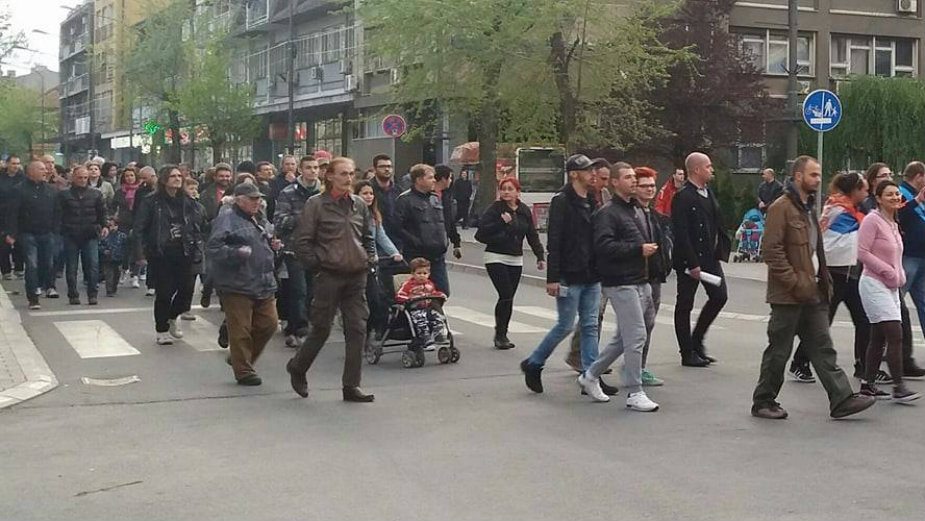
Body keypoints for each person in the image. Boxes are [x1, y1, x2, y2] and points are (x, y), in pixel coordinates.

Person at [751, 155, 876, 420]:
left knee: (823, 347)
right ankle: (764, 400)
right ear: (798, 176)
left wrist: (822, 281)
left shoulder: (808, 208)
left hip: (814, 291)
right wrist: (795, 282)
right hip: (789, 295)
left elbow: (815, 249)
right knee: (779, 350)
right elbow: (771, 251)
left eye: (819, 175)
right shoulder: (781, 207)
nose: (818, 180)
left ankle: (841, 399)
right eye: (813, 175)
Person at [520, 154, 614, 396]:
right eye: (587, 170)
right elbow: (555, 241)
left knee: (590, 325)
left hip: (591, 273)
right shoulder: (562, 201)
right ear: (574, 174)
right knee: (564, 325)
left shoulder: (593, 200)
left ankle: (591, 376)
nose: (593, 174)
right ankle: (534, 363)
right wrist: (553, 278)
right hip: (569, 274)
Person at [285, 157, 377, 403]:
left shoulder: (358, 204)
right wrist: (317, 266)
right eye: (343, 174)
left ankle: (351, 385)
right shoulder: (316, 204)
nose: (349, 179)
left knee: (357, 328)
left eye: (351, 174)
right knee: (322, 328)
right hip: (328, 275)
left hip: (356, 275)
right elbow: (302, 241)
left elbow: (368, 236)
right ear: (330, 176)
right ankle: (298, 367)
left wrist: (370, 258)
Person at [576, 161, 660, 411]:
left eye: (634, 176)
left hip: (640, 279)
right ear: (614, 182)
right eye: (627, 177)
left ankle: (590, 376)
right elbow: (603, 247)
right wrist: (637, 249)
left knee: (624, 338)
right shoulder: (608, 213)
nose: (633, 181)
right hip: (620, 281)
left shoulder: (634, 209)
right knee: (636, 336)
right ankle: (635, 392)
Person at [788, 173, 871, 383]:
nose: (867, 193)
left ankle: (864, 366)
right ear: (854, 190)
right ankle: (799, 361)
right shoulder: (837, 210)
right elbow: (832, 242)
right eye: (864, 189)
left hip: (852, 274)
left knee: (863, 320)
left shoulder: (855, 211)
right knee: (822, 323)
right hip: (836, 274)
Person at [207, 183, 281, 386]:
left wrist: (273, 245)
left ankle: (241, 358)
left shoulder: (260, 218)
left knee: (269, 324)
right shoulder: (226, 219)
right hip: (237, 283)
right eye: (252, 199)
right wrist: (235, 253)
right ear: (239, 200)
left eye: (258, 198)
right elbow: (213, 248)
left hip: (263, 281)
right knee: (240, 329)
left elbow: (266, 237)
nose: (257, 202)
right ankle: (243, 370)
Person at [857, 180, 922, 402]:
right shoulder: (872, 221)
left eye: (896, 194)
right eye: (889, 195)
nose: (895, 198)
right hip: (874, 283)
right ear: (878, 198)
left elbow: (895, 255)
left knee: (878, 336)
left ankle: (867, 385)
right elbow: (863, 253)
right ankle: (899, 386)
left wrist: (900, 274)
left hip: (891, 285)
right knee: (895, 332)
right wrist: (888, 272)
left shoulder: (893, 222)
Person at [671, 152, 730, 367]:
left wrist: (722, 247)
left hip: (710, 258)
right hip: (690, 261)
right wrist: (692, 262)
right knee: (685, 303)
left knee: (720, 296)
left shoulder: (708, 192)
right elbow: (681, 232)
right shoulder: (683, 196)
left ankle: (697, 340)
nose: (711, 169)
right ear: (696, 170)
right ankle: (687, 352)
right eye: (708, 166)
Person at [135, 165, 205, 345]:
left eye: (179, 176)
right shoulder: (152, 201)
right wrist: (140, 252)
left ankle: (173, 316)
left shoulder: (187, 201)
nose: (177, 179)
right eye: (173, 176)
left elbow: (198, 224)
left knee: (186, 290)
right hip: (161, 252)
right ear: (164, 179)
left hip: (185, 251)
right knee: (164, 292)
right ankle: (162, 330)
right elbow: (140, 228)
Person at [476, 177, 545, 350]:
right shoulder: (495, 209)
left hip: (515, 258)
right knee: (505, 294)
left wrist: (540, 255)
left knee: (508, 298)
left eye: (510, 189)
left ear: (517, 192)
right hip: (495, 256)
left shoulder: (523, 211)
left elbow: (531, 234)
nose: (506, 192)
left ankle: (503, 332)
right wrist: (502, 223)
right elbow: (480, 234)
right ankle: (500, 335)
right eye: (503, 189)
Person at [274, 155, 322, 347]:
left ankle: (295, 327)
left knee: (312, 292)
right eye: (309, 167)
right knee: (298, 291)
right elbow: (280, 220)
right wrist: (305, 217)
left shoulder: (324, 192)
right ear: (301, 170)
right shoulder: (288, 192)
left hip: (319, 249)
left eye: (316, 167)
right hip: (294, 249)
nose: (313, 171)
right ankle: (301, 329)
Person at [634, 166, 672, 387]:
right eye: (644, 186)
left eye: (652, 186)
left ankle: (640, 367)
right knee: (636, 326)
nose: (649, 190)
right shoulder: (631, 213)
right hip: (636, 277)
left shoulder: (655, 215)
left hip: (654, 276)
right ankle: (631, 369)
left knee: (648, 324)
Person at [395, 164, 457, 295]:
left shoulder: (435, 198)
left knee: (442, 291)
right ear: (419, 180)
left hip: (437, 255)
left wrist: (445, 240)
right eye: (430, 177)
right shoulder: (405, 200)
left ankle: (433, 314)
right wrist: (414, 241)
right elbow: (397, 227)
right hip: (417, 255)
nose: (434, 180)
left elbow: (442, 222)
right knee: (417, 292)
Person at [354, 179, 403, 334]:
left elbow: (381, 237)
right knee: (366, 300)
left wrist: (394, 253)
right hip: (357, 262)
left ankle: (378, 329)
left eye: (371, 193)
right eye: (364, 193)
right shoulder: (353, 215)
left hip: (373, 263)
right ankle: (362, 332)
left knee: (379, 298)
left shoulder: (374, 215)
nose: (369, 197)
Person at [8, 161, 58, 309]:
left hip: (47, 233)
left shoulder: (51, 190)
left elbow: (57, 212)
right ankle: (33, 297)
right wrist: (11, 233)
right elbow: (12, 213)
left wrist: (56, 230)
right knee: (32, 264)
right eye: (42, 169)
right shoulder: (19, 190)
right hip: (27, 233)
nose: (46, 171)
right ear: (31, 171)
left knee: (47, 264)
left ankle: (42, 285)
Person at [58, 165, 108, 306]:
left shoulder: (96, 194)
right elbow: (58, 214)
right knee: (71, 267)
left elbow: (102, 212)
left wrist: (104, 226)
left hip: (90, 233)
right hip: (70, 234)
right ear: (73, 177)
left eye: (85, 178)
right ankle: (73, 295)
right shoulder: (64, 195)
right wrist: (61, 230)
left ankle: (92, 294)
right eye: (80, 177)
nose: (83, 180)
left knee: (93, 265)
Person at [894, 161, 925, 379]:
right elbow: (899, 216)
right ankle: (893, 349)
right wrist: (916, 201)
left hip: (920, 256)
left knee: (923, 303)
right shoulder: (900, 193)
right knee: (897, 305)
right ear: (919, 176)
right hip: (908, 256)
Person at [197, 163, 233, 308]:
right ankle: (207, 288)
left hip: (231, 234)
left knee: (228, 269)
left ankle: (224, 300)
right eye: (221, 176)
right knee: (212, 268)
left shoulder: (235, 191)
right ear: (215, 177)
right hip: (212, 234)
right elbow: (203, 215)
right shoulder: (207, 194)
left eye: (227, 176)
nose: (225, 179)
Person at [395, 257, 448, 348]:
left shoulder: (430, 284)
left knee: (437, 316)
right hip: (415, 308)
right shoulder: (408, 285)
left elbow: (433, 293)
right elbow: (399, 295)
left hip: (428, 308)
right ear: (413, 274)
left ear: (429, 274)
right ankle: (425, 337)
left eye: (425, 273)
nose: (422, 276)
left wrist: (440, 295)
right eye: (419, 273)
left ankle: (438, 333)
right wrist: (408, 298)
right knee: (421, 318)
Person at [112, 168, 142, 288]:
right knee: (124, 249)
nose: (129, 178)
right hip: (123, 223)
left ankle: (135, 275)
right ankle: (124, 269)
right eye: (127, 176)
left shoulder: (140, 191)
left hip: (138, 223)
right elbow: (113, 206)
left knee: (137, 249)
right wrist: (113, 220)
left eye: (132, 175)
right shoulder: (120, 192)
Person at [134, 166, 158, 297]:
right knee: (152, 256)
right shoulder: (141, 192)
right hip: (148, 227)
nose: (142, 181)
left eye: (144, 178)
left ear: (153, 176)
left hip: (159, 225)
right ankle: (151, 284)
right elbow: (137, 209)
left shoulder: (161, 190)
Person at [371, 154, 403, 251]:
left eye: (389, 166)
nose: (387, 169)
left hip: (398, 242)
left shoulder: (399, 190)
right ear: (375, 169)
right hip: (375, 241)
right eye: (382, 166)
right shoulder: (368, 189)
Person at [0, 154, 25, 280]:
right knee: (3, 244)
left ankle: (19, 267)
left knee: (19, 242)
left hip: (19, 215)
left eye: (17, 163)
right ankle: (5, 270)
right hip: (3, 215)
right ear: (7, 164)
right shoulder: (1, 178)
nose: (15, 166)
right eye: (13, 163)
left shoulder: (23, 178)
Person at [98, 217, 128, 297]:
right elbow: (99, 245)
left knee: (116, 275)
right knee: (109, 275)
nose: (112, 227)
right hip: (108, 259)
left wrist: (124, 258)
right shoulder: (105, 236)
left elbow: (125, 247)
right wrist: (104, 250)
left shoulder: (122, 236)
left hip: (118, 258)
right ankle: (109, 290)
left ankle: (114, 288)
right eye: (110, 225)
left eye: (114, 225)